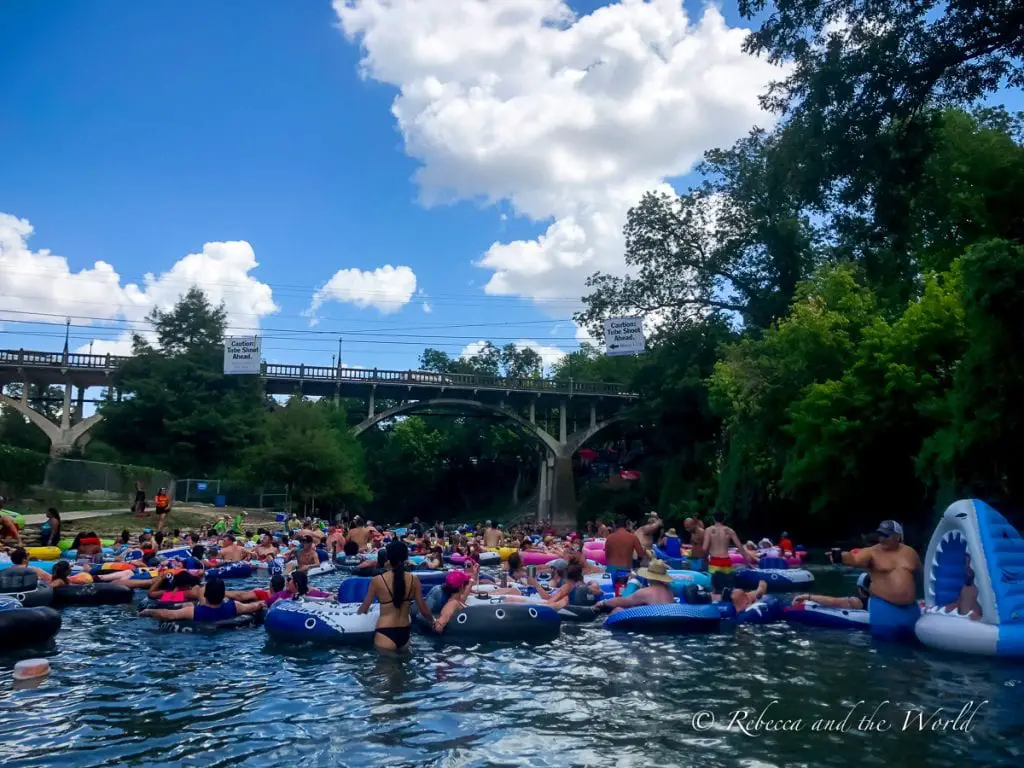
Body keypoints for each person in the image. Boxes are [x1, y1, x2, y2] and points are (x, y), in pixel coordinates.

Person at [833, 520, 922, 640]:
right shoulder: (871, 552)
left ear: (898, 537)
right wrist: (839, 556)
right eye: (880, 535)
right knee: (885, 647)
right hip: (883, 607)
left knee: (915, 646)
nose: (882, 539)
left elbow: (919, 576)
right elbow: (854, 559)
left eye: (886, 535)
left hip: (910, 609)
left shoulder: (910, 552)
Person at [357, 540, 432, 653]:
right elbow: (423, 610)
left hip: (385, 632)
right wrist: (433, 621)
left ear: (388, 557)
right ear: (406, 557)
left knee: (386, 668)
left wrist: (354, 616)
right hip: (405, 632)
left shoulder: (378, 580)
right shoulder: (414, 580)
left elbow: (364, 608)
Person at [141, 577, 264, 623]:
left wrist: (149, 612)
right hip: (218, 612)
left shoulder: (191, 608)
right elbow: (254, 607)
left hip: (202, 612)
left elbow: (169, 614)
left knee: (187, 605)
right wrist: (262, 604)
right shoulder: (235, 606)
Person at [594, 559, 676, 614]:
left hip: (652, 624)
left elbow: (623, 601)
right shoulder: (669, 592)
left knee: (617, 610)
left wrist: (604, 602)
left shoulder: (646, 592)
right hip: (669, 621)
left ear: (649, 576)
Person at [705, 512, 754, 593]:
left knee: (714, 587)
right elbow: (739, 546)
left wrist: (705, 557)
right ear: (724, 519)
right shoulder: (730, 531)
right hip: (726, 561)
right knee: (727, 586)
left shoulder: (709, 530)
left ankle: (715, 603)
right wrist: (747, 559)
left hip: (714, 561)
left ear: (713, 519)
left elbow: (705, 547)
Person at [793, 573, 872, 610]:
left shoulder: (857, 602)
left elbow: (833, 601)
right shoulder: (881, 599)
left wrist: (807, 596)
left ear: (860, 587)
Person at [944, 554, 982, 621]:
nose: (967, 568)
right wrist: (953, 606)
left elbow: (977, 605)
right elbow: (961, 601)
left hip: (971, 618)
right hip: (964, 618)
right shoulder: (965, 588)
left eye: (969, 564)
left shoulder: (977, 589)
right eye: (966, 564)